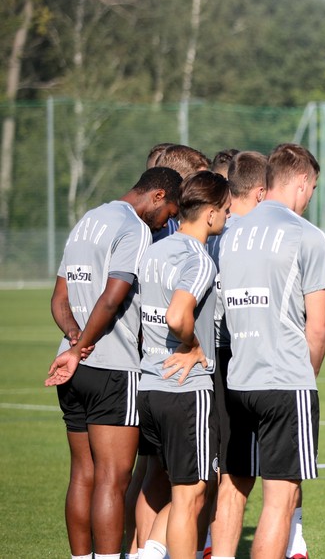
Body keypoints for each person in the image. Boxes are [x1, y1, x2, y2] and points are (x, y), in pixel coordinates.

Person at [44, 166, 183, 559]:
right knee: (112, 479)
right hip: (112, 368)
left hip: (72, 368)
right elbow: (113, 296)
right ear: (158, 195)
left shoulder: (87, 220)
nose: (167, 221)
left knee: (82, 475)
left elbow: (59, 298)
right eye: (170, 212)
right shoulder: (134, 227)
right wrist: (82, 346)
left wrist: (73, 339)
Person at [208, 143, 325, 559]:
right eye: (313, 187)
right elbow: (318, 327)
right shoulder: (306, 234)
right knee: (281, 500)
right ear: (301, 182)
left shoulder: (229, 233)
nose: (310, 196)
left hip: (237, 379)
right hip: (284, 381)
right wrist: (307, 376)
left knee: (233, 483)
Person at [134, 171, 230, 559]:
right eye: (225, 209)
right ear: (210, 213)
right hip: (185, 389)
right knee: (190, 497)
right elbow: (177, 316)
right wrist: (194, 345)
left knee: (167, 488)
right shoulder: (199, 259)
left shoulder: (155, 251)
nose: (227, 217)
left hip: (150, 386)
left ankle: (145, 552)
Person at [203, 149, 269, 559]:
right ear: (261, 192)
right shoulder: (258, 234)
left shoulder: (210, 229)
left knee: (203, 471)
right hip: (242, 357)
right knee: (239, 474)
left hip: (205, 357)